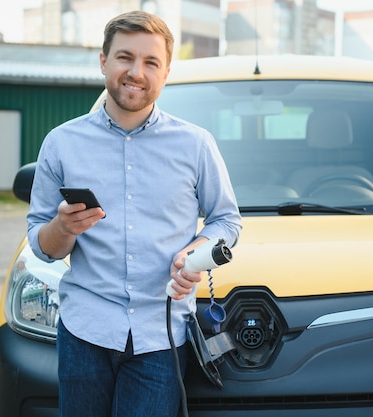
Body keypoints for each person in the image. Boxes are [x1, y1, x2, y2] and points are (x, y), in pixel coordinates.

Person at [26, 10, 242, 417]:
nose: (136, 72)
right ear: (103, 60)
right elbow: (42, 245)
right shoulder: (61, 143)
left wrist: (195, 251)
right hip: (83, 333)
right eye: (125, 57)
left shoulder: (196, 145)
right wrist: (62, 227)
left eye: (151, 62)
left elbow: (226, 221)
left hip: (160, 338)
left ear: (166, 72)